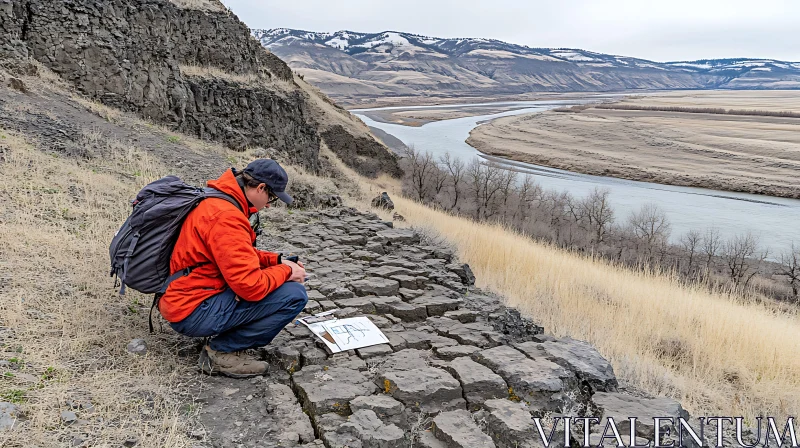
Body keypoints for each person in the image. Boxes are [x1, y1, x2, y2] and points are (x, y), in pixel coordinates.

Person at [158, 159, 308, 378]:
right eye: (271, 198)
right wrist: (288, 272)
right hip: (192, 309)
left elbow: (236, 254)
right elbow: (251, 287)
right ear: (260, 188)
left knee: (279, 281)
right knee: (294, 295)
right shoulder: (227, 217)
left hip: (185, 296)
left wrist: (277, 261)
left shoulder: (218, 200)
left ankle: (222, 331)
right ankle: (221, 352)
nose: (268, 205)